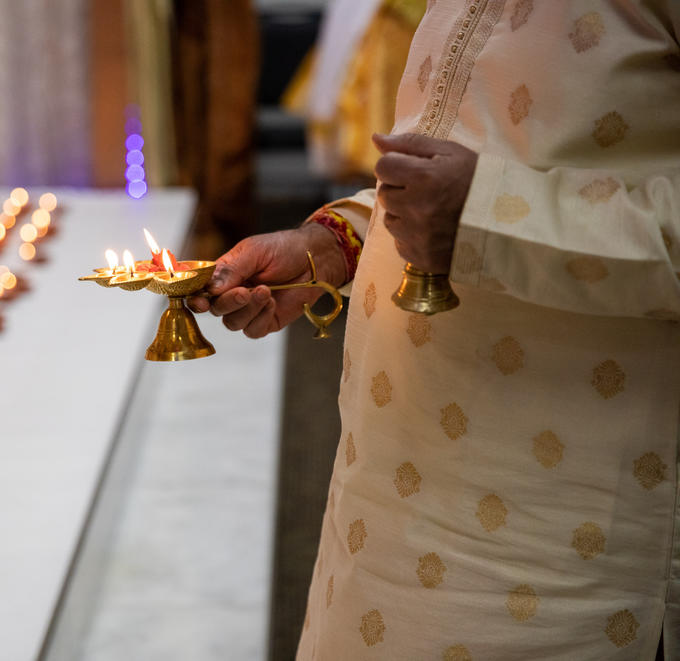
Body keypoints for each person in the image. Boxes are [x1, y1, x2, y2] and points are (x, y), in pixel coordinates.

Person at [189, 1, 680, 658]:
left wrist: (484, 221)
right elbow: (471, 157)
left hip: (553, 547)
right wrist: (330, 244)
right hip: (383, 489)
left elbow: (483, 195)